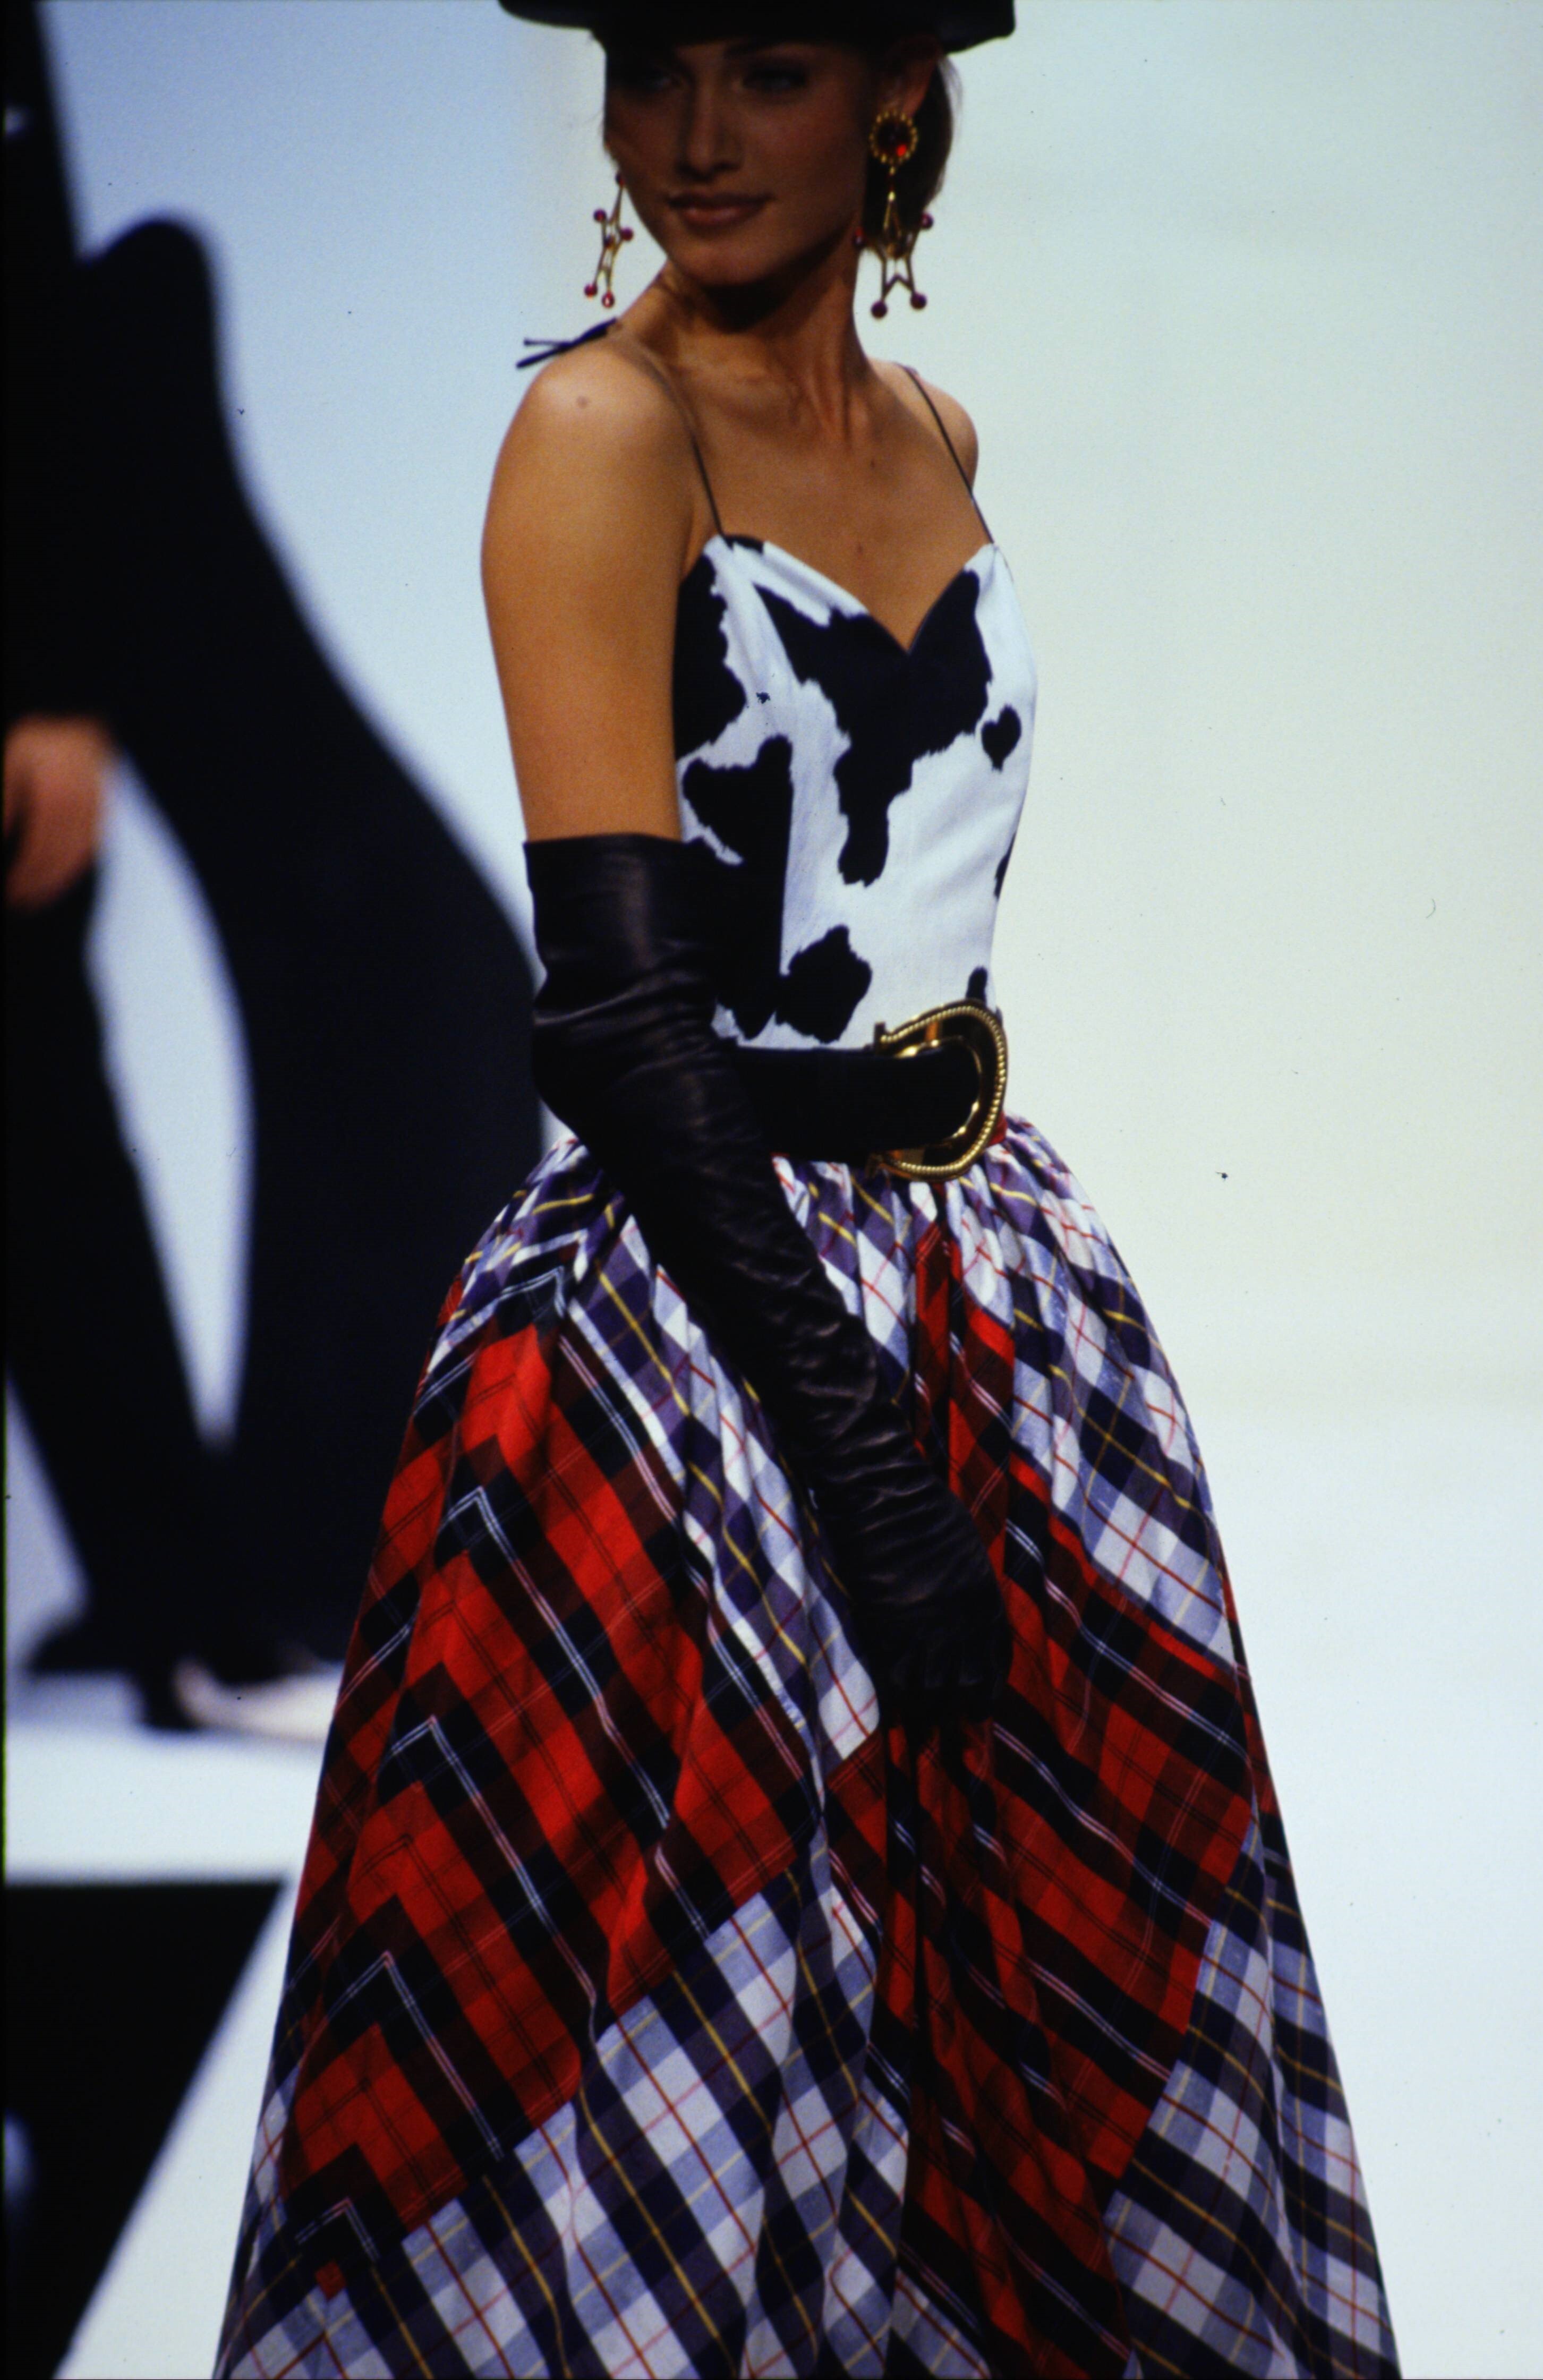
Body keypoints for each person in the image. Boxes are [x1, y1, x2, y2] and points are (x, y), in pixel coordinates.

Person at [219, 6, 1398, 2372]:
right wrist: (857, 1446)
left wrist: (930, 1407)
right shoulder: (598, 431)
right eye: (648, 65)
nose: (688, 135)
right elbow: (616, 1014)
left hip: (998, 1302)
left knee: (1032, 2002)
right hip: (694, 1350)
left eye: (760, 67)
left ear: (893, 94)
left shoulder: (936, 429)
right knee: (681, 2044)